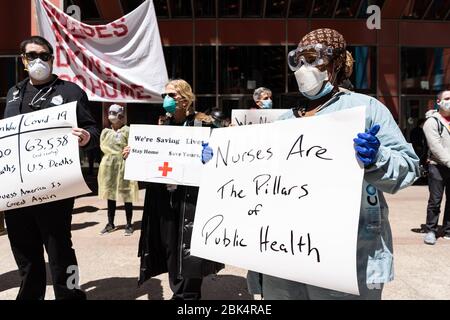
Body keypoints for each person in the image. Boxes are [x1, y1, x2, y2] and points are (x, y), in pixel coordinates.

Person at [203, 28, 419, 300]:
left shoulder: (367, 110)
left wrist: (377, 159)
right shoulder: (285, 122)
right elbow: (257, 185)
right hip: (283, 256)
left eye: (313, 59)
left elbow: (408, 169)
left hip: (343, 256)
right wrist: (220, 163)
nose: (304, 68)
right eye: (298, 60)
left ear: (337, 63)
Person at [3, 36, 99, 300]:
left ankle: (70, 296)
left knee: (60, 251)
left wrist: (87, 137)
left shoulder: (70, 92)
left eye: (44, 56)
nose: (38, 61)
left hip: (55, 190)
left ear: (52, 58)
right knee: (25, 254)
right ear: (23, 60)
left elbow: (93, 130)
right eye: (32, 56)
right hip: (18, 193)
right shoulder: (14, 94)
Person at [124, 79, 223, 300]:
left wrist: (212, 153)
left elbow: (225, 153)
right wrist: (135, 153)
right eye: (165, 95)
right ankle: (178, 290)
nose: (167, 100)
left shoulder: (203, 124)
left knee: (188, 247)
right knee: (169, 246)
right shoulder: (162, 125)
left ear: (186, 99)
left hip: (191, 199)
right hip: (164, 197)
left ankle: (188, 296)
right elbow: (151, 158)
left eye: (173, 95)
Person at [98, 104, 139, 236]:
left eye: (116, 114)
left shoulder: (128, 131)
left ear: (121, 116)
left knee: (127, 195)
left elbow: (134, 146)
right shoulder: (105, 132)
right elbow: (102, 148)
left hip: (125, 165)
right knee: (110, 195)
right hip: (109, 166)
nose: (113, 116)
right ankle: (110, 223)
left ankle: (129, 223)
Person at [423, 90, 450, 245]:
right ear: (438, 102)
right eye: (447, 98)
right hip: (437, 167)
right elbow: (435, 147)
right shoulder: (432, 122)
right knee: (435, 200)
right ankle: (430, 230)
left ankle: (447, 230)